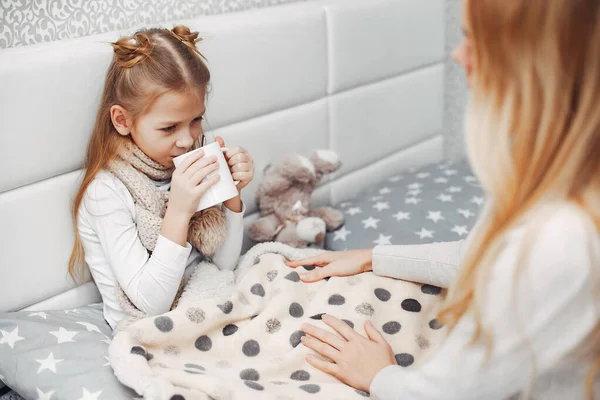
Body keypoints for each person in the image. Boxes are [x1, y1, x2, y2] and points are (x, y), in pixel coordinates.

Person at [288, 1, 600, 398]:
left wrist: (378, 375)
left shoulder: (557, 238)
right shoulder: (551, 178)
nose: (458, 55)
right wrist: (373, 256)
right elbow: (479, 257)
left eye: (471, 41)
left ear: (526, 65)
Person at [68, 26, 254, 329]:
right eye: (169, 128)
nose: (186, 140)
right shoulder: (107, 191)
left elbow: (222, 266)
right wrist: (179, 211)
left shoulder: (184, 161)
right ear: (122, 120)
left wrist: (232, 195)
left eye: (195, 120)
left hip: (205, 302)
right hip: (152, 326)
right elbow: (152, 303)